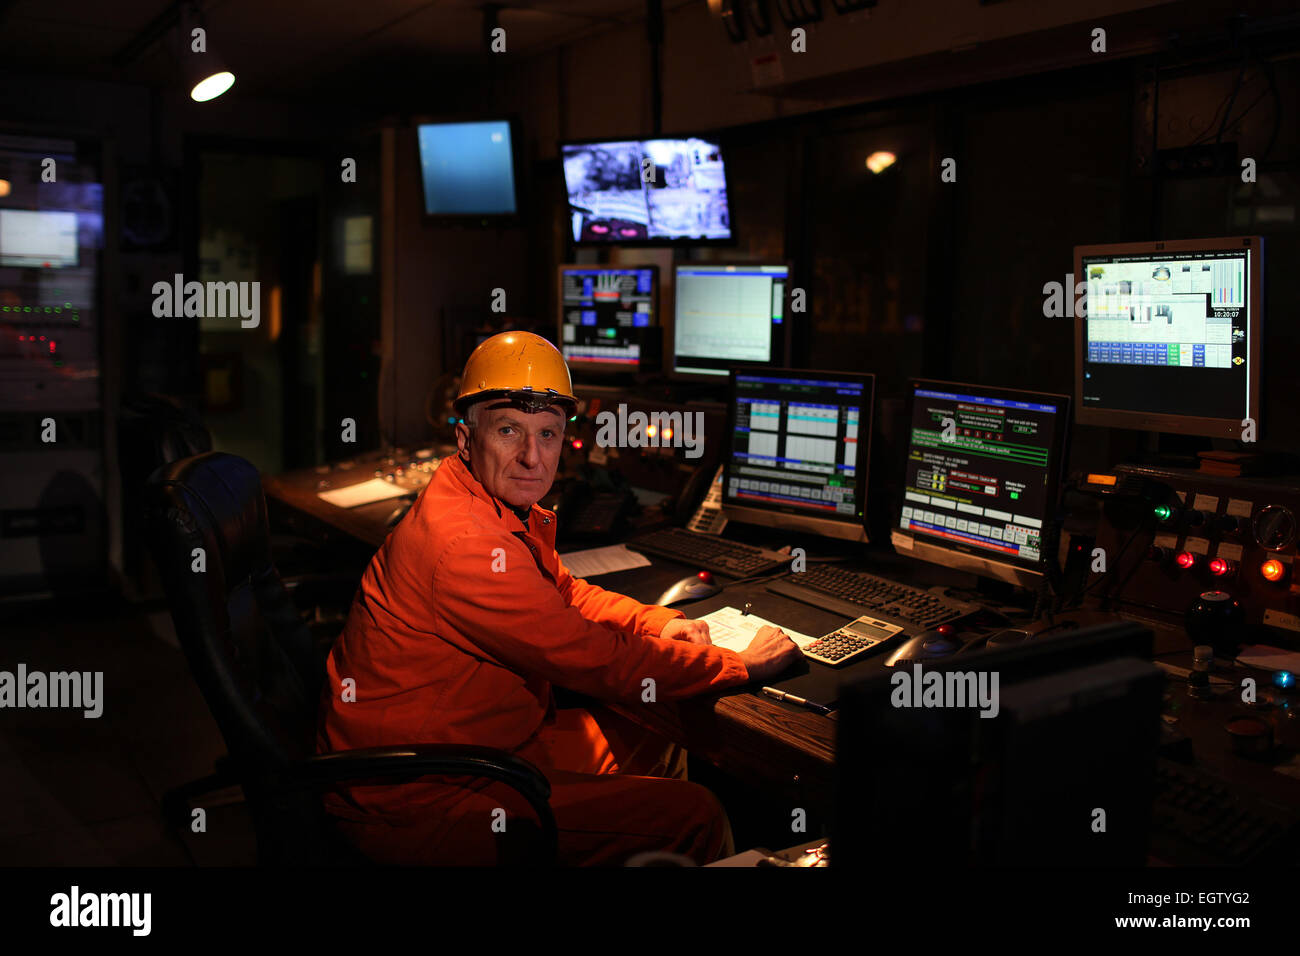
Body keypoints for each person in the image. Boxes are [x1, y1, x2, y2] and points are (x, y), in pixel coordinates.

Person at [317, 331, 800, 865]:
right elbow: (595, 660)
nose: (532, 457)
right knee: (696, 815)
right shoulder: (466, 542)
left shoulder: (487, 502)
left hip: (472, 748)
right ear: (465, 438)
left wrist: (656, 623)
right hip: (420, 795)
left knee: (662, 734)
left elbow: (563, 593)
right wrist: (738, 665)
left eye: (547, 434)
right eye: (508, 431)